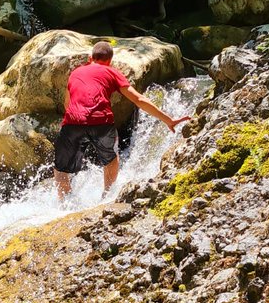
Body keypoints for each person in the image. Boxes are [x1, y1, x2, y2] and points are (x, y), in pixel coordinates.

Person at [54, 41, 190, 200]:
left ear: (91, 58)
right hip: (102, 123)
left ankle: (65, 203)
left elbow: (67, 104)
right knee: (111, 160)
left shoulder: (76, 72)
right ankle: (106, 197)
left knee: (61, 169)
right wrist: (168, 120)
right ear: (110, 60)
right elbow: (138, 99)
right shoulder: (112, 72)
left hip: (73, 122)